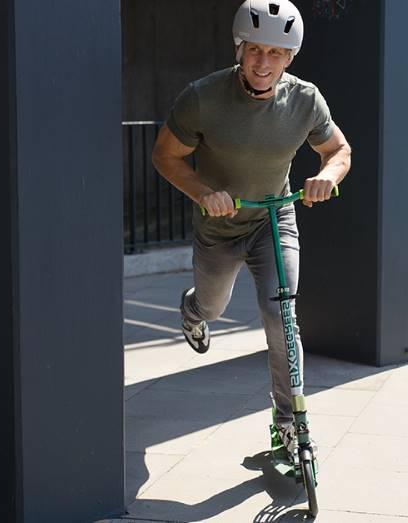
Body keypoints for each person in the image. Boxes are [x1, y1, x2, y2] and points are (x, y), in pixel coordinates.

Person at [150, 0, 351, 459]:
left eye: (276, 53)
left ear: (290, 58)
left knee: (282, 318)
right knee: (213, 307)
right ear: (240, 49)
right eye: (255, 50)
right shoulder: (203, 97)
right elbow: (165, 155)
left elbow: (340, 150)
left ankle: (289, 424)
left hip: (272, 220)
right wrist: (203, 192)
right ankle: (193, 308)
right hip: (218, 226)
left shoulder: (304, 100)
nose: (264, 62)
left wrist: (327, 176)